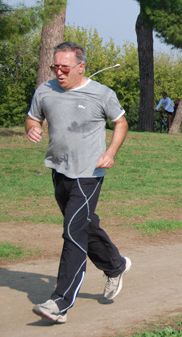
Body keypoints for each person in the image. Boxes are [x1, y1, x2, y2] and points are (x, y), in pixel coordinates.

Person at [25, 42, 131, 324]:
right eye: (55, 67)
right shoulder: (45, 91)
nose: (59, 72)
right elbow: (32, 118)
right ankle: (115, 265)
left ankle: (59, 303)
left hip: (89, 172)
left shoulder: (101, 94)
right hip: (59, 170)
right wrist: (33, 128)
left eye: (65, 67)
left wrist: (110, 152)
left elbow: (120, 123)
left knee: (73, 231)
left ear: (80, 67)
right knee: (84, 226)